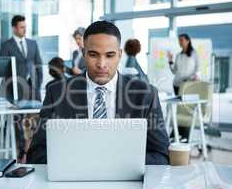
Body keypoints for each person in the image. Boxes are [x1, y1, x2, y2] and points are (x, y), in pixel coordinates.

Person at [27, 21, 170, 165]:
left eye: (110, 55)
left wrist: (113, 163)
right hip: (74, 182)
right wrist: (82, 163)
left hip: (126, 183)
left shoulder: (145, 95)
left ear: (119, 55)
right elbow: (36, 154)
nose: (102, 64)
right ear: (83, 54)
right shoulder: (57, 93)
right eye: (94, 55)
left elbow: (161, 155)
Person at [0, 15, 43, 163]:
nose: (24, 29)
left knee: (36, 122)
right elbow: (3, 70)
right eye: (21, 27)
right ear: (14, 28)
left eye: (25, 26)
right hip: (16, 90)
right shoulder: (6, 45)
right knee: (18, 122)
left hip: (33, 89)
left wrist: (38, 83)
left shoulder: (32, 43)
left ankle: (34, 150)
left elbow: (39, 64)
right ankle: (21, 152)